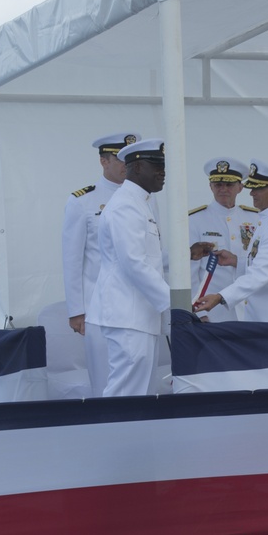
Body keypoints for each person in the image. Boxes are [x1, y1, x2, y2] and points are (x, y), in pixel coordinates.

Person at [85, 138, 170, 396]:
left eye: (163, 166)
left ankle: (131, 436)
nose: (162, 173)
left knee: (140, 391)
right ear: (135, 168)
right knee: (126, 392)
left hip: (139, 314)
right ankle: (111, 437)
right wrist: (173, 303)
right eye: (155, 166)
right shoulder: (125, 205)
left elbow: (150, 260)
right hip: (127, 313)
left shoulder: (140, 202)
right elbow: (134, 262)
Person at [61, 132, 140, 396]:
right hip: (99, 309)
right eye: (119, 158)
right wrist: (76, 310)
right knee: (105, 383)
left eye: (129, 159)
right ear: (103, 161)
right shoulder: (83, 201)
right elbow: (72, 259)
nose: (125, 165)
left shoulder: (145, 200)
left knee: (139, 380)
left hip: (138, 306)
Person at [193, 159, 268, 322]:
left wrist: (220, 297)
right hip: (261, 317)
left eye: (259, 188)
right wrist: (237, 262)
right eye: (252, 187)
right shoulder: (267, 220)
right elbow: (261, 263)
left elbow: (262, 272)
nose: (252, 193)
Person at [188, 157, 259, 322]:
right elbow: (190, 271)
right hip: (213, 312)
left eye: (229, 184)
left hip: (250, 310)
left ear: (240, 187)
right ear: (210, 186)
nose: (223, 189)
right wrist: (199, 312)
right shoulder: (195, 220)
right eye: (218, 184)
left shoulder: (255, 218)